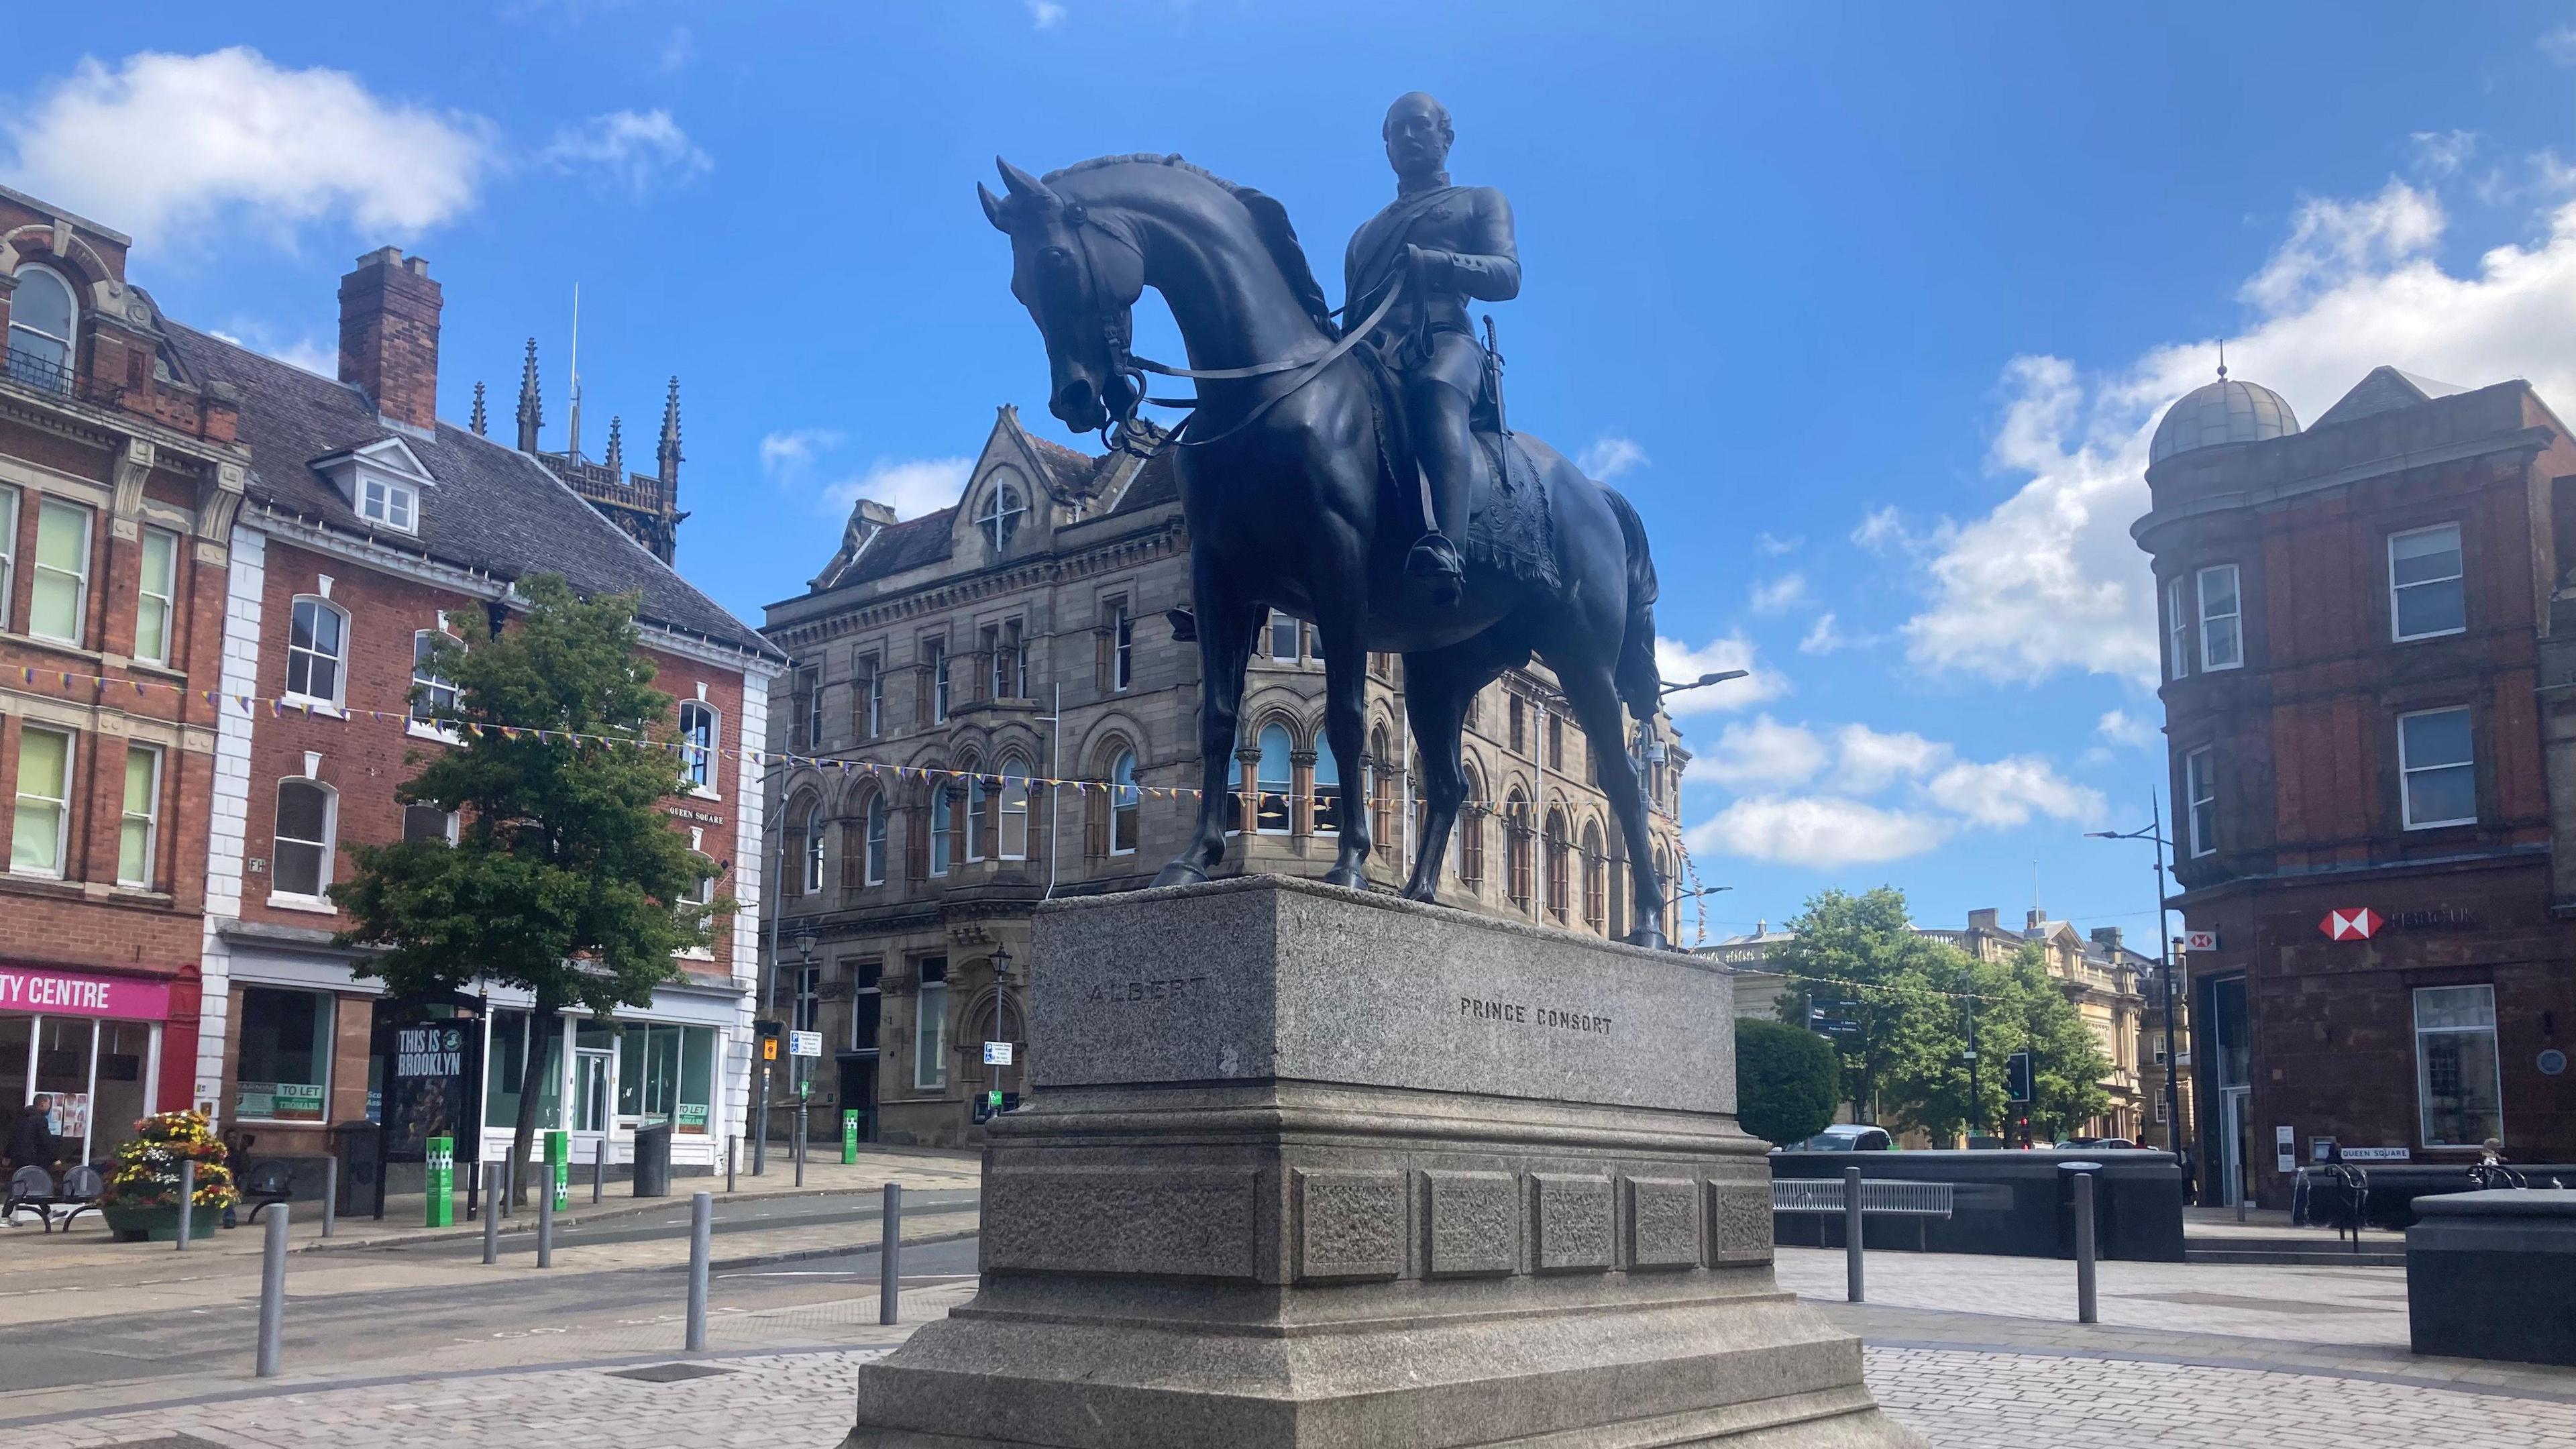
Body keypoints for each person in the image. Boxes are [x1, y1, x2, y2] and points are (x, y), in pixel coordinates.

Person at [1342, 92, 1520, 606]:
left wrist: (1439, 262)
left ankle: (1448, 544)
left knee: (1437, 388)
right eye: (1397, 132)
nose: (1408, 138)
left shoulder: (1479, 200)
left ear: (1446, 136)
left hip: (1444, 339)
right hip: (1372, 350)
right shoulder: (1364, 235)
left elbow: (1507, 275)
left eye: (1419, 127)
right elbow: (1354, 312)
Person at [8, 1093, 58, 1175]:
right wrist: (55, 1158)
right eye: (49, 1104)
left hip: (18, 1160)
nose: (49, 1107)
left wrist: (7, 1155)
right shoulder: (41, 1120)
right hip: (34, 1160)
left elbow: (13, 1137)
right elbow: (46, 1141)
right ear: (42, 1104)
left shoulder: (21, 1118)